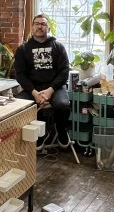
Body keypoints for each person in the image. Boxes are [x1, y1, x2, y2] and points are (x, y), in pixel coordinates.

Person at [14, 14, 71, 149]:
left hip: (55, 88)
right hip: (32, 89)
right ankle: (37, 133)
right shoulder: (22, 49)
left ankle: (61, 129)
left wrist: (51, 90)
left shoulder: (58, 47)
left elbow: (64, 71)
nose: (40, 26)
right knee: (19, 105)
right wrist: (34, 92)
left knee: (62, 104)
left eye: (43, 24)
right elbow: (20, 75)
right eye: (37, 23)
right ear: (32, 27)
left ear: (48, 28)